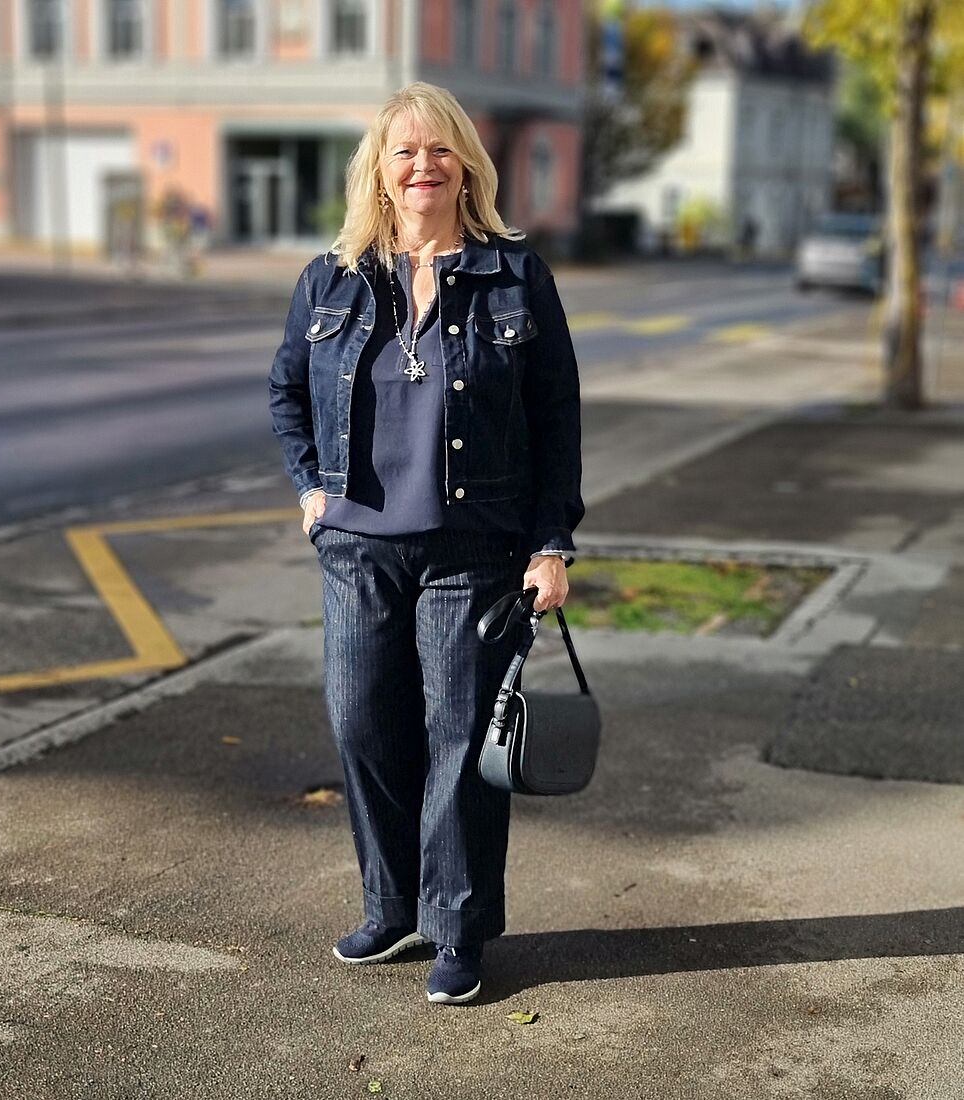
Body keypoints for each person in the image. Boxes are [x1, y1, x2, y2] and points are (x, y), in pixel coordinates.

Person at [268, 82, 583, 1005]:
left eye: (440, 149)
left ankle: (456, 927)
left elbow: (556, 419)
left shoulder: (515, 274)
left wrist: (550, 542)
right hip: (357, 546)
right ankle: (391, 904)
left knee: (459, 736)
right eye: (404, 151)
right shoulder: (331, 278)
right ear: (379, 169)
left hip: (472, 547)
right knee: (362, 723)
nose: (423, 166)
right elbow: (286, 391)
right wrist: (311, 490)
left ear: (466, 166)